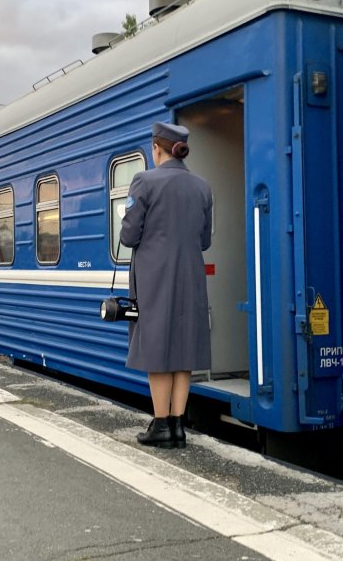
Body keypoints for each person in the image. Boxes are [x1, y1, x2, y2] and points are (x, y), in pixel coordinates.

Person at [120, 122, 213, 449]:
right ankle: (177, 425)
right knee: (184, 344)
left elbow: (128, 236)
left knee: (157, 345)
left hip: (155, 277)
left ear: (156, 148)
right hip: (191, 276)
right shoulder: (202, 186)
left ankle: (161, 424)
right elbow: (205, 241)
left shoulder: (144, 181)